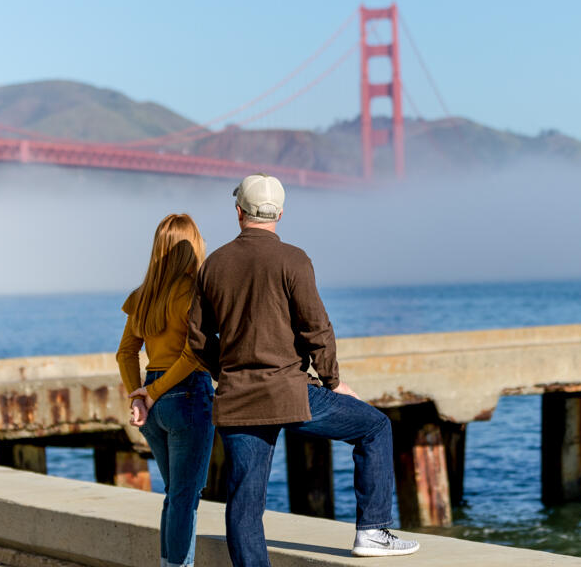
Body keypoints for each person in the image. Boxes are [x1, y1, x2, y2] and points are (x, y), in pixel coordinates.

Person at [188, 174, 420, 566]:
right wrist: (333, 382)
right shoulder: (294, 259)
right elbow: (317, 329)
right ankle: (371, 532)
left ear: (239, 212)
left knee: (245, 501)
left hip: (238, 397)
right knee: (375, 426)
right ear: (280, 212)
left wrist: (228, 370)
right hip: (291, 393)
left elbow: (195, 338)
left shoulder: (214, 264)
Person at [117, 214, 214, 567]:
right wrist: (153, 391)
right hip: (185, 393)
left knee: (174, 495)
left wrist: (139, 395)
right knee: (185, 496)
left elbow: (125, 352)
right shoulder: (194, 292)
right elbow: (194, 353)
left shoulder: (143, 296)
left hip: (155, 404)